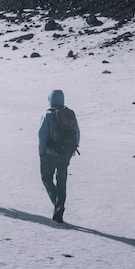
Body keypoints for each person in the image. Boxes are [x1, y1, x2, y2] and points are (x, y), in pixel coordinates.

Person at [38, 89, 80, 223]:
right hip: (66, 153)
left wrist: (41, 152)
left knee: (46, 178)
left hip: (50, 154)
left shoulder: (47, 114)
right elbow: (77, 133)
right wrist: (72, 148)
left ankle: (58, 206)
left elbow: (42, 135)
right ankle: (59, 206)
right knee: (62, 182)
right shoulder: (69, 113)